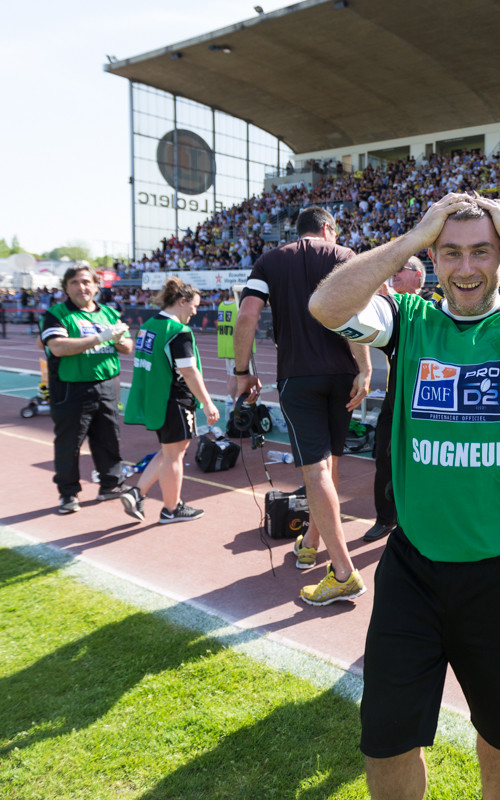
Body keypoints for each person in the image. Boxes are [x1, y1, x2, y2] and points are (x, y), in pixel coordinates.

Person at [308, 192, 500, 800]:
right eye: (450, 253)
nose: (465, 268)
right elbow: (326, 304)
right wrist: (410, 239)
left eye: (482, 251)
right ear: (434, 258)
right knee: (385, 737)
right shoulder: (407, 321)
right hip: (415, 569)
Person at [234, 206, 372, 606]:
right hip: (343, 374)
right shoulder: (344, 255)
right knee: (329, 462)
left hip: (298, 375)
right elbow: (356, 313)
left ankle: (343, 572)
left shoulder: (271, 260)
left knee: (315, 470)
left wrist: (244, 371)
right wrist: (364, 368)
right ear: (328, 229)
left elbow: (247, 315)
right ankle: (311, 540)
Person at [39, 263, 136, 514]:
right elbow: (58, 347)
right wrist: (101, 338)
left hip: (105, 385)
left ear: (95, 285)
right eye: (74, 282)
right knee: (69, 443)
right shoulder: (57, 314)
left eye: (86, 282)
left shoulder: (109, 313)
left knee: (108, 439)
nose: (81, 287)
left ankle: (111, 485)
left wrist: (118, 337)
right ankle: (68, 494)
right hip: (71, 388)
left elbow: (127, 347)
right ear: (65, 288)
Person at [122, 278, 220, 523]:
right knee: (175, 455)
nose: (195, 312)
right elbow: (188, 371)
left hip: (157, 399)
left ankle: (137, 492)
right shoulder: (178, 332)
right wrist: (207, 402)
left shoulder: (149, 325)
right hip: (174, 399)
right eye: (194, 306)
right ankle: (172, 508)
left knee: (169, 451)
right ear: (182, 301)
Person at [363, 256, 426, 544]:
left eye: (400, 269)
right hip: (395, 394)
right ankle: (386, 518)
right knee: (384, 456)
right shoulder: (389, 306)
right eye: (393, 270)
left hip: (427, 399)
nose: (394, 275)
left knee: (426, 461)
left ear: (418, 275)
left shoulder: (435, 301)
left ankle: (419, 519)